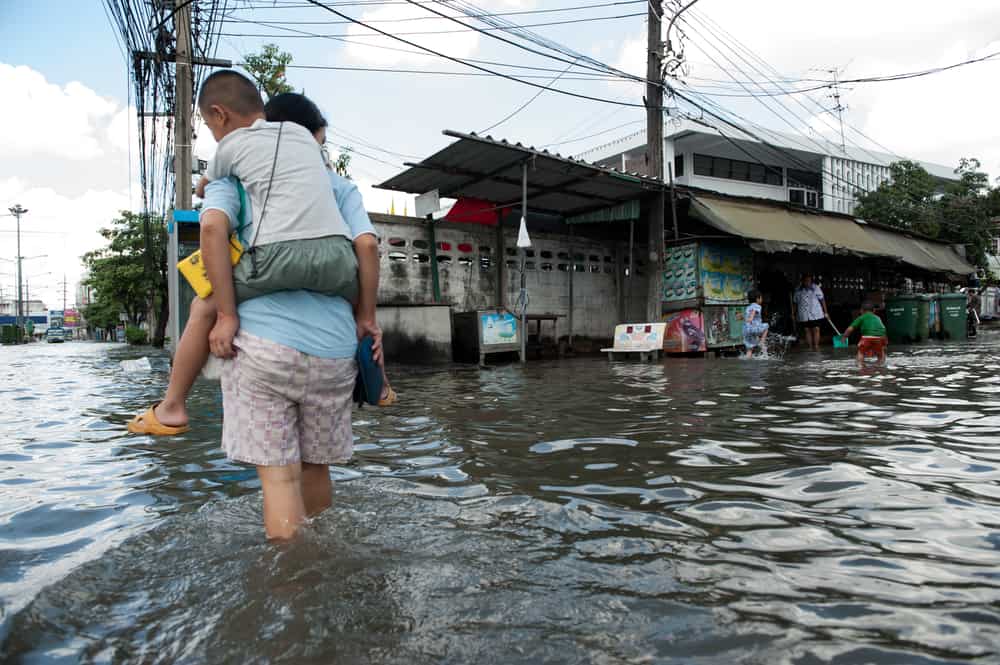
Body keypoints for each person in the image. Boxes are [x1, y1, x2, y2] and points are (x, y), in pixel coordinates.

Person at [128, 84, 395, 437]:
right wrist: (366, 314)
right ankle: (383, 385)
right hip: (333, 295)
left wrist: (227, 314)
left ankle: (173, 403)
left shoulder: (235, 171)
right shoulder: (338, 185)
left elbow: (211, 225)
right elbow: (366, 244)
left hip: (266, 277)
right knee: (362, 319)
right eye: (321, 140)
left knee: (204, 306)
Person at [193, 71, 358, 305]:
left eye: (210, 127)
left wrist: (225, 312)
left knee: (208, 299)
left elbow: (202, 190)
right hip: (338, 256)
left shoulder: (230, 145)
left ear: (220, 115)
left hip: (278, 255)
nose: (215, 135)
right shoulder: (301, 135)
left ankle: (224, 318)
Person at [793, 273, 828, 351]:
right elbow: (795, 302)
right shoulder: (798, 289)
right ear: (802, 281)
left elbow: (822, 300)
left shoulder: (816, 288)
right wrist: (793, 313)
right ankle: (810, 347)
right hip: (803, 313)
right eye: (806, 281)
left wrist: (826, 312)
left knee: (816, 328)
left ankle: (816, 346)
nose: (807, 283)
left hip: (815, 313)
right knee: (807, 330)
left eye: (809, 281)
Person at [743, 289, 770, 358]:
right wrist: (751, 317)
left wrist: (749, 319)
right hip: (754, 328)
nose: (762, 299)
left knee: (749, 349)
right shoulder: (757, 306)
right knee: (766, 326)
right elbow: (754, 311)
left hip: (747, 330)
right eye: (761, 297)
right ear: (757, 299)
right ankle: (762, 341)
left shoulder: (748, 307)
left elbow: (748, 315)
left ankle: (747, 359)